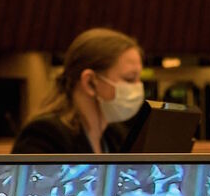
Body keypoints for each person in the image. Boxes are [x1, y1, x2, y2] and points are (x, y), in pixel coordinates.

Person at [12, 28, 144, 154]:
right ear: (90, 82)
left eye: (139, 78)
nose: (138, 86)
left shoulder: (115, 136)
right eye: (130, 79)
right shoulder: (44, 135)